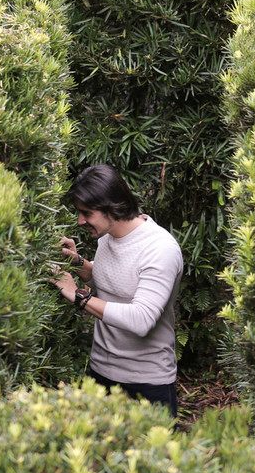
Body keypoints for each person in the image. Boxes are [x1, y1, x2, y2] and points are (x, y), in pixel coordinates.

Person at [51, 164, 184, 417]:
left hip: (146, 385)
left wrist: (77, 295)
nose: (80, 221)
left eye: (86, 213)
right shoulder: (108, 236)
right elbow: (111, 282)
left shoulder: (159, 249)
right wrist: (78, 263)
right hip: (100, 375)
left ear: (112, 206)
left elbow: (141, 319)